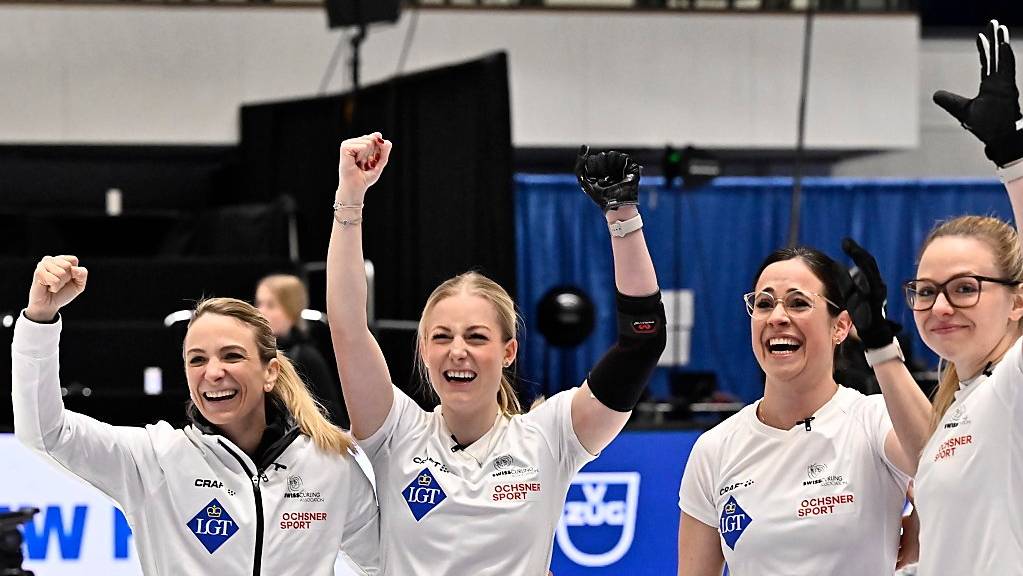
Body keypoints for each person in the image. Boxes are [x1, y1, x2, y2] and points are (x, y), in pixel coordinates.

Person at [326, 133, 665, 574]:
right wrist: (350, 198)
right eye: (443, 337)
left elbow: (641, 345)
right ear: (424, 350)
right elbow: (349, 328)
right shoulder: (394, 434)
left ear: (509, 351)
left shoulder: (551, 437)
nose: (458, 352)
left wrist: (622, 217)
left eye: (477, 337)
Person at [13, 256, 379, 575]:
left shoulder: (330, 464)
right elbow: (46, 433)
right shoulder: (154, 460)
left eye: (232, 356)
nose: (213, 372)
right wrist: (40, 320)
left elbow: (389, 562)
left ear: (270, 371)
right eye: (197, 359)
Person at [677, 243, 931, 576]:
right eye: (764, 304)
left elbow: (941, 463)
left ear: (840, 326)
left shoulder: (873, 419)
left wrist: (879, 344)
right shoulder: (715, 449)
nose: (777, 317)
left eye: (798, 303)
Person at [913, 19, 1023, 574]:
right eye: (927, 291)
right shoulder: (960, 402)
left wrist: (1013, 158)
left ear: (1017, 301)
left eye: (964, 289)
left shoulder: (1014, 385)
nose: (940, 307)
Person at [256, 274, 348, 428]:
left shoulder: (306, 356)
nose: (261, 312)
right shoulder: (256, 352)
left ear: (291, 311)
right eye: (259, 303)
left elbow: (333, 419)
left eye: (271, 306)